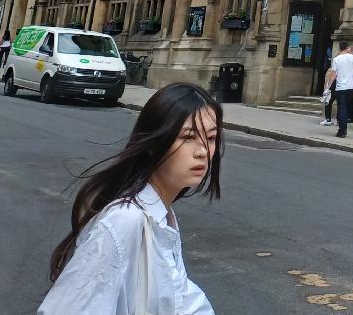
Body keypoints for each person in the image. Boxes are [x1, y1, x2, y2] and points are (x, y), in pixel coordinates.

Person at [39, 82, 222, 315]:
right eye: (188, 137)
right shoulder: (125, 221)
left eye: (211, 138)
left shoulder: (161, 217)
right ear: (155, 144)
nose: (203, 151)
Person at [329, 42, 353, 138]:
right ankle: (343, 129)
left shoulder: (336, 59)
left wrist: (328, 86)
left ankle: (342, 130)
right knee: (346, 106)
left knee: (342, 107)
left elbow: (333, 74)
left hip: (340, 87)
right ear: (347, 48)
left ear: (340, 48)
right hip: (351, 87)